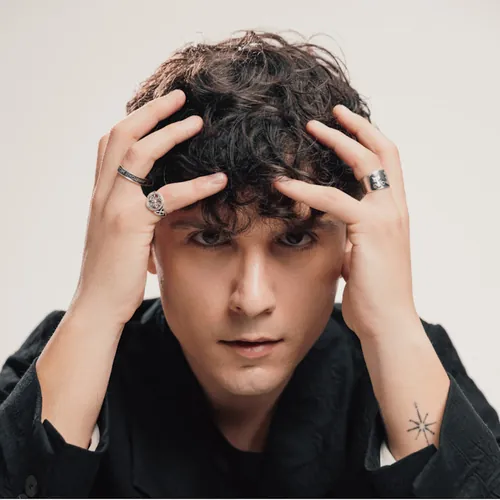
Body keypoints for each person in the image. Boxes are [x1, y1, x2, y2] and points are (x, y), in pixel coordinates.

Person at [1, 30, 499, 498]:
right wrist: (96, 305)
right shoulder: (72, 353)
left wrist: (392, 321)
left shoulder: (409, 356)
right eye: (210, 238)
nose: (252, 300)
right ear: (145, 241)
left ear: (351, 240)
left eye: (296, 238)